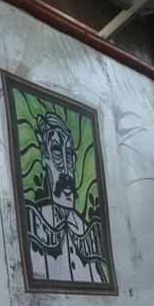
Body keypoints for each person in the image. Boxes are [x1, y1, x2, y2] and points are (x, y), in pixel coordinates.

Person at [25, 111, 106, 283]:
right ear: (44, 157)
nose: (66, 168)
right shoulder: (34, 223)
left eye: (68, 153)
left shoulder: (86, 231)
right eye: (56, 150)